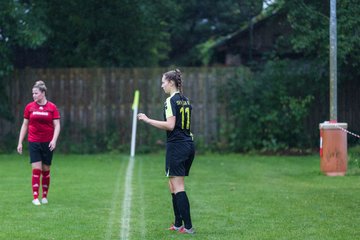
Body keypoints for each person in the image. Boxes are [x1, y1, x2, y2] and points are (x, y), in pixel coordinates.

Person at [137, 69, 195, 234]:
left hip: (177, 146)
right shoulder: (185, 99)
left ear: (170, 82)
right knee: (173, 185)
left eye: (163, 82)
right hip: (188, 145)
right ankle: (178, 223)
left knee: (178, 186)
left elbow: (170, 125)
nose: (162, 85)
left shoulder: (170, 101)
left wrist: (147, 120)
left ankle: (189, 227)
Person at [17, 80, 61, 206]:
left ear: (43, 93)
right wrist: (20, 142)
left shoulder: (52, 107)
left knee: (46, 169)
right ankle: (35, 197)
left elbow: (57, 125)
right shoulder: (29, 107)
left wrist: (53, 140)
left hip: (47, 143)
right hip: (34, 141)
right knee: (36, 169)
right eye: (33, 93)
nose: (33, 96)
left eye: (36, 93)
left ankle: (44, 196)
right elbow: (25, 125)